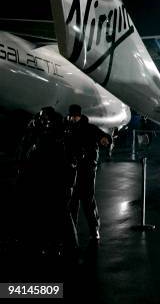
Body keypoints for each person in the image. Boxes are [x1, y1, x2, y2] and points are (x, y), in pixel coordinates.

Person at [17, 107, 77, 255]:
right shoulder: (48, 136)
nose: (43, 121)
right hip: (47, 180)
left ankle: (62, 245)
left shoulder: (52, 137)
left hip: (53, 181)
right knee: (52, 213)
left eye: (45, 119)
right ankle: (58, 245)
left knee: (57, 213)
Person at [64, 104, 110, 243]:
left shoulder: (89, 128)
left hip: (86, 170)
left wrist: (105, 140)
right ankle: (71, 231)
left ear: (79, 115)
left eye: (75, 116)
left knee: (87, 199)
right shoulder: (68, 129)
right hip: (73, 169)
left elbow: (101, 136)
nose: (73, 119)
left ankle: (94, 229)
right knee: (73, 201)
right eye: (71, 116)